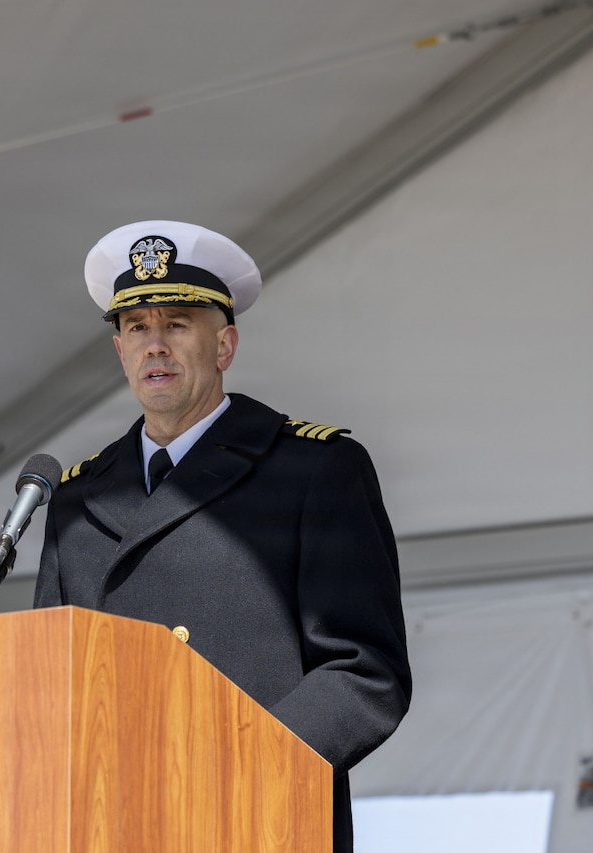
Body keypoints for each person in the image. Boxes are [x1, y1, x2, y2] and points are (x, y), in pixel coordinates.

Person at [33, 220, 411, 852]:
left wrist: (235, 768)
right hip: (111, 826)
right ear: (120, 351)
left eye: (177, 325)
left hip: (255, 818)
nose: (155, 346)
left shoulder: (315, 470)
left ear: (224, 346)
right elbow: (46, 680)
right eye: (136, 328)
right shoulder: (74, 499)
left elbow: (364, 672)